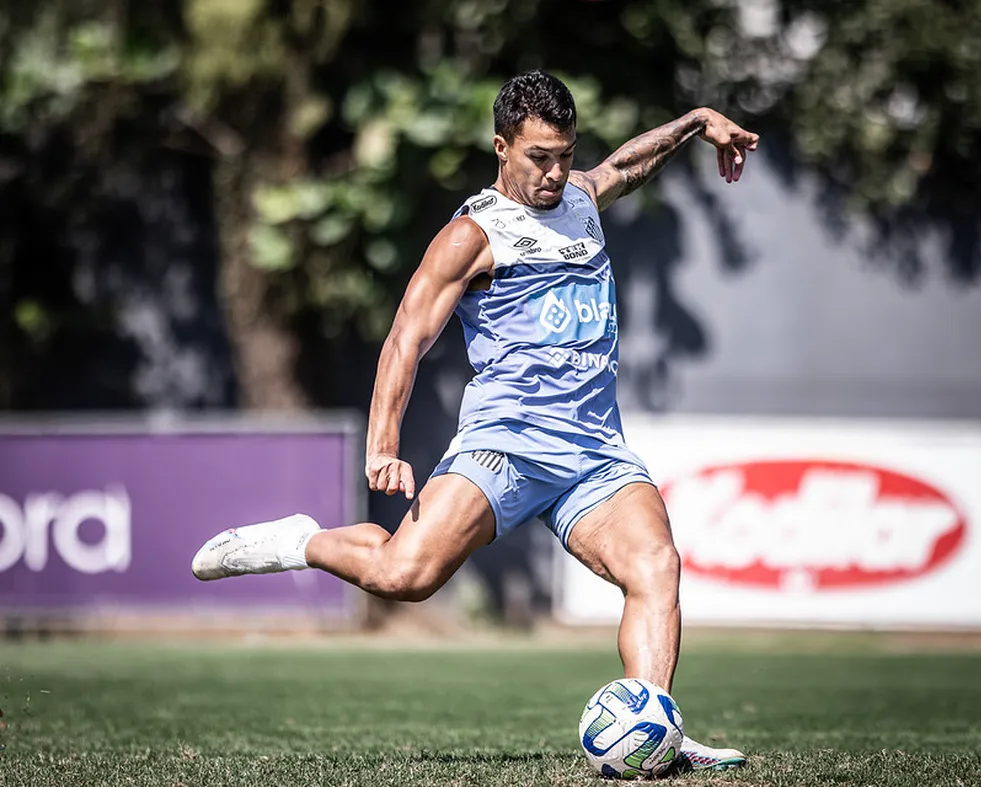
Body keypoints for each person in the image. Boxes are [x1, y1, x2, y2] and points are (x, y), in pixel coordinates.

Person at [192, 70, 758, 771]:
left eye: (564, 154)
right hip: (505, 446)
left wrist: (698, 118)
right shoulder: (472, 235)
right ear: (501, 147)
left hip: (592, 452)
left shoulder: (579, 197)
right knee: (404, 574)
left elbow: (627, 165)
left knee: (655, 565)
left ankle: (654, 730)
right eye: (539, 158)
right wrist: (382, 445)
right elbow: (405, 337)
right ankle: (303, 541)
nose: (556, 173)